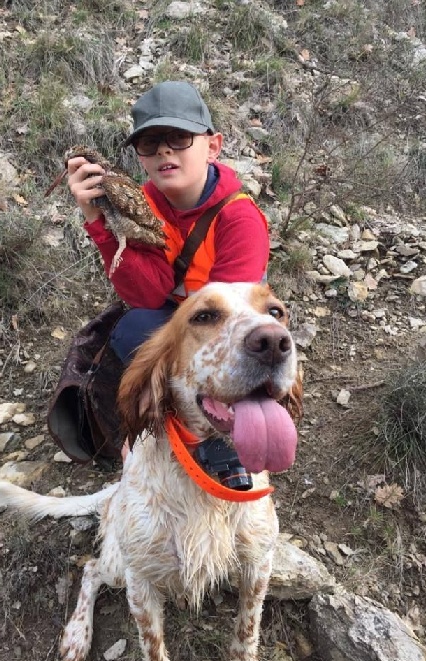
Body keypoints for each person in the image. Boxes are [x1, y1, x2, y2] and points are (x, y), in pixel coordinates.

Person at [65, 80, 270, 464]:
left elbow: (232, 323)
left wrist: (170, 354)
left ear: (213, 146)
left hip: (232, 327)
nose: (163, 150)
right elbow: (148, 294)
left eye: (178, 137)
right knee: (133, 327)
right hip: (183, 316)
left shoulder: (240, 219)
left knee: (194, 352)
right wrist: (99, 220)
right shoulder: (145, 203)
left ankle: (224, 450)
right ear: (141, 157)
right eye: (150, 142)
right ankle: (173, 423)